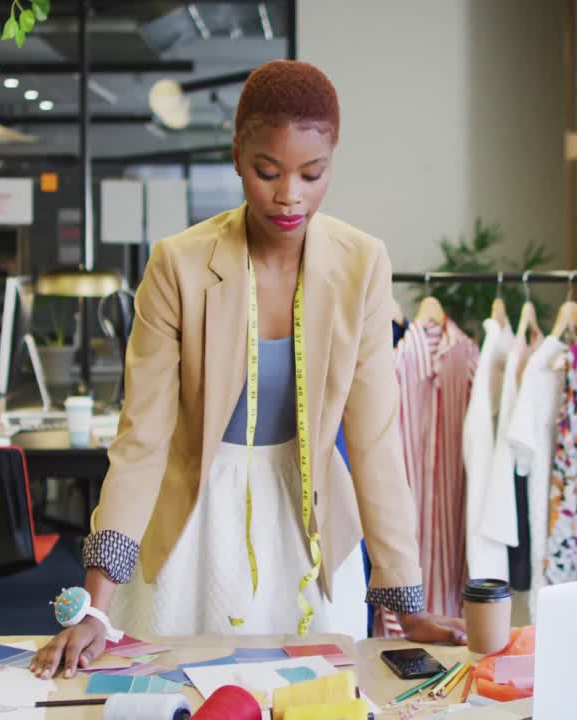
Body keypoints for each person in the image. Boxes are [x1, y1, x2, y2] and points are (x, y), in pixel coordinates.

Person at [32, 60, 465, 681]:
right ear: (238, 156)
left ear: (331, 163)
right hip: (195, 520)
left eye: (312, 174)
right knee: (181, 692)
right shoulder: (177, 266)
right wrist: (95, 609)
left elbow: (373, 442)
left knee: (314, 695)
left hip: (308, 520)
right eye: (268, 172)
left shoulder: (362, 265)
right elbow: (143, 441)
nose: (290, 195)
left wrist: (407, 606)